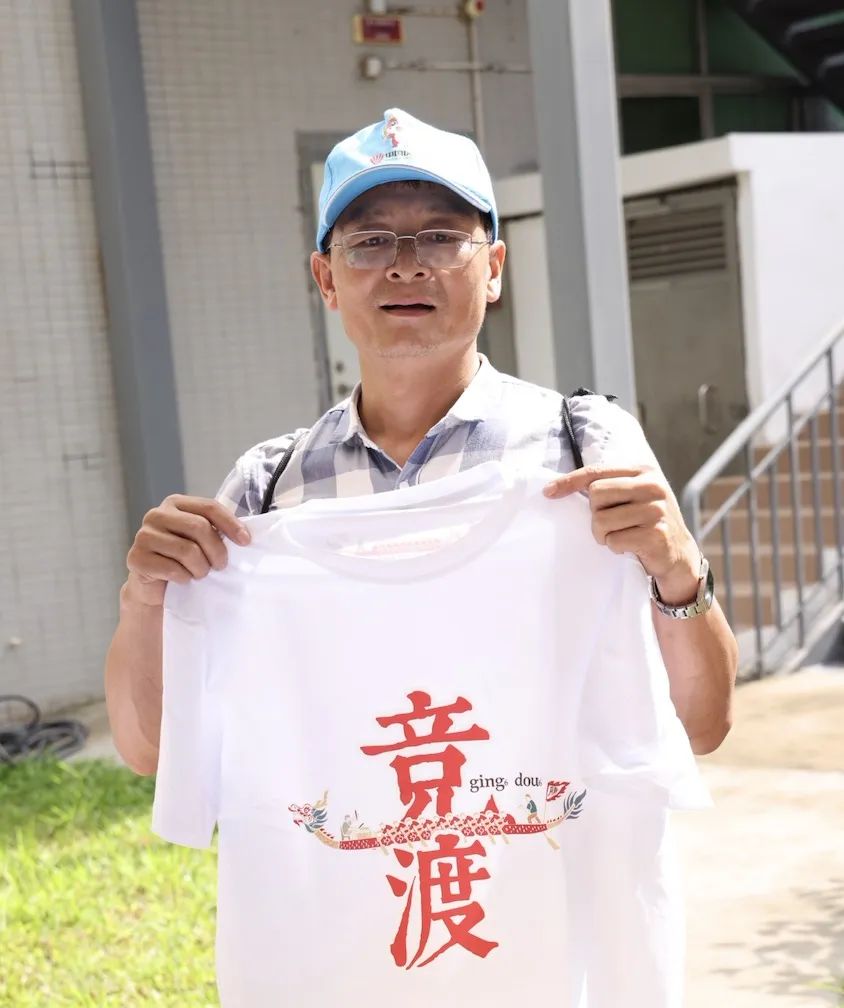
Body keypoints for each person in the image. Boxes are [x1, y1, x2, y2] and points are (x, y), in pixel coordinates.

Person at [104, 106, 738, 778]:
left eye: (440, 237)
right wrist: (145, 597)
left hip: (549, 842)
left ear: (494, 269)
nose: (406, 268)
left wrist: (679, 573)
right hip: (344, 845)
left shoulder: (586, 452)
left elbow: (702, 727)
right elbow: (153, 752)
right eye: (370, 242)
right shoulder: (267, 492)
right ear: (327, 279)